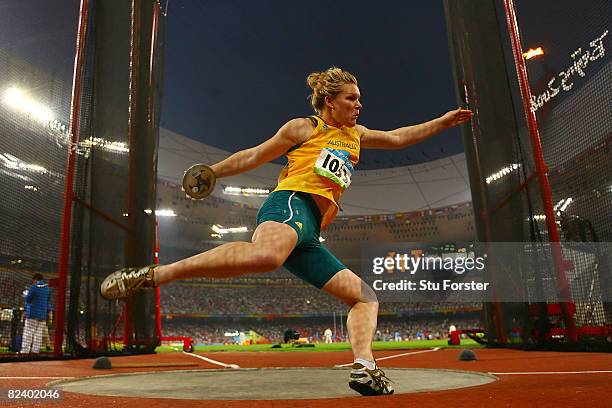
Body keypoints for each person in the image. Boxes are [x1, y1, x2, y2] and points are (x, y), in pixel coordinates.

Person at [101, 67, 473, 396]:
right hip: (291, 203)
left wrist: (441, 122)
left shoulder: (356, 134)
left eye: (360, 99)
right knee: (265, 256)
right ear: (330, 102)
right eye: (352, 98)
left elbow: (398, 137)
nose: (359, 105)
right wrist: (213, 171)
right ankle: (150, 275)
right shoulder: (306, 127)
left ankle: (365, 367)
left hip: (310, 232)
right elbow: (255, 154)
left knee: (365, 297)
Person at [21, 273, 52, 354]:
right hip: (42, 315)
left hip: (32, 314)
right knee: (38, 334)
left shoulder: (33, 288)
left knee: (28, 332)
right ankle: (35, 351)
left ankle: (25, 351)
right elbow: (48, 302)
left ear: (35, 279)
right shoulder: (47, 289)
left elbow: (28, 300)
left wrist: (25, 296)